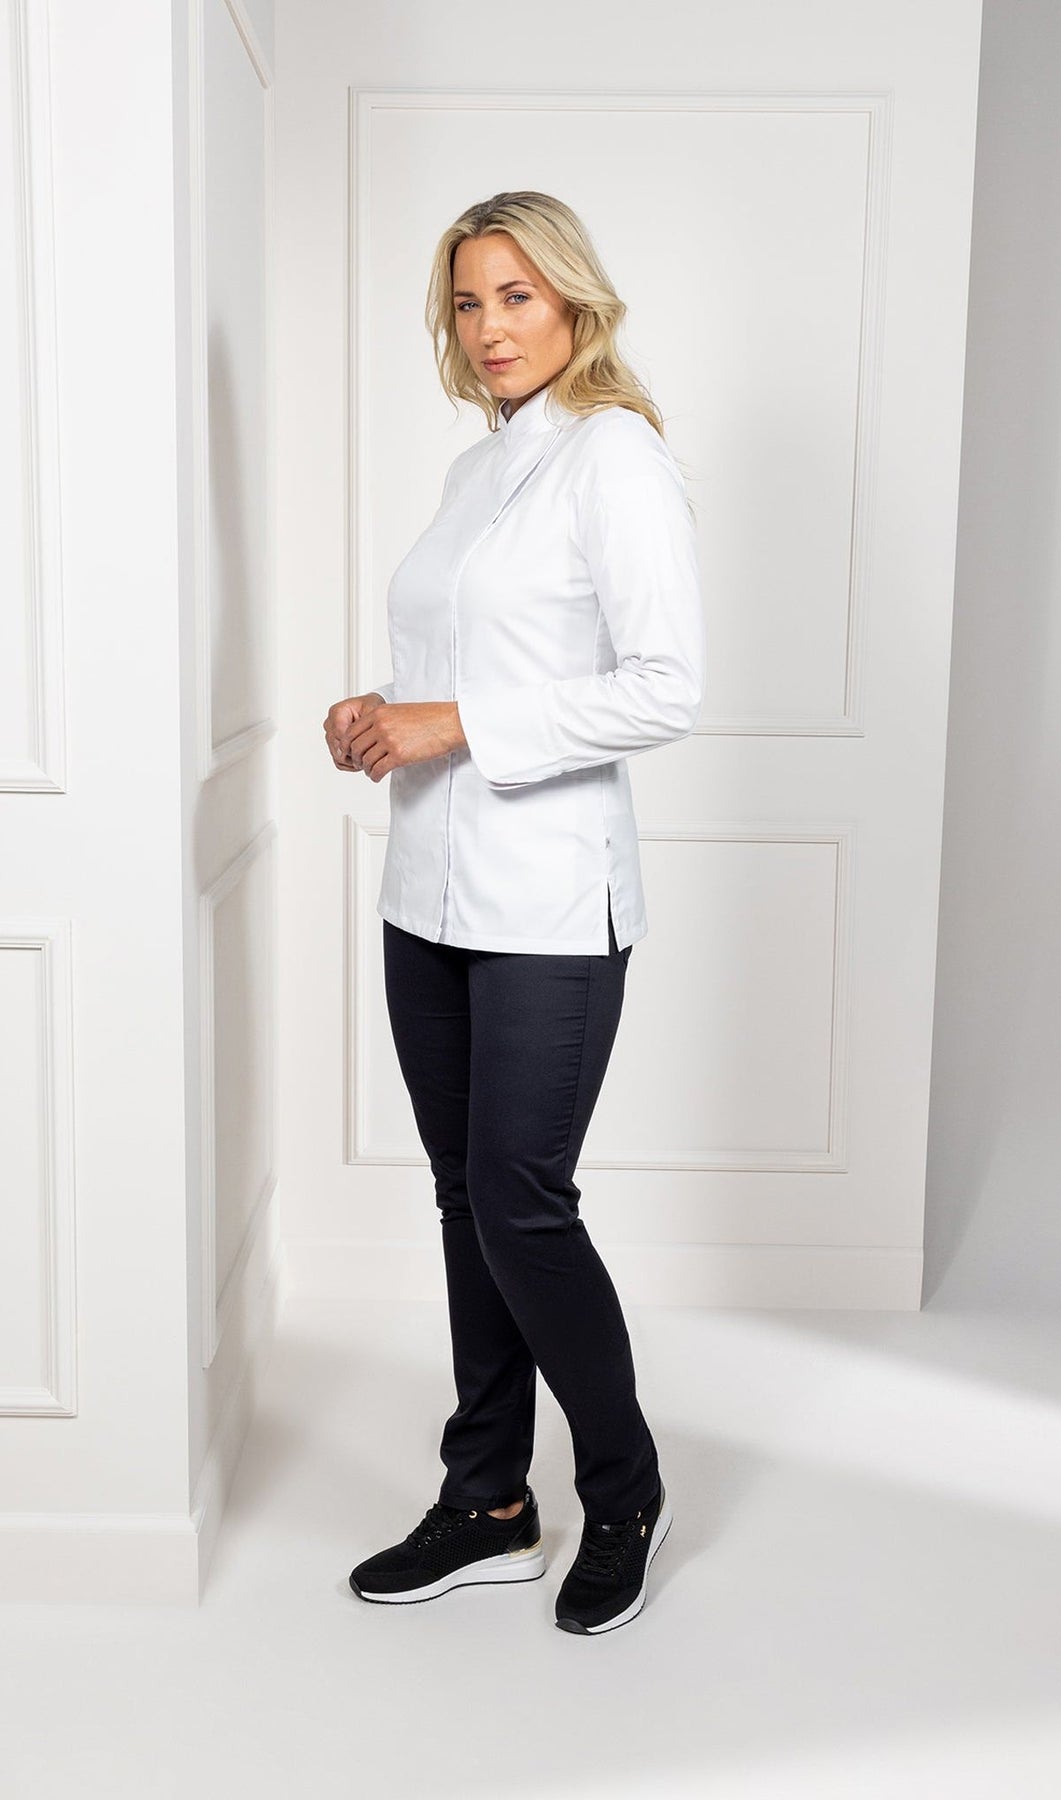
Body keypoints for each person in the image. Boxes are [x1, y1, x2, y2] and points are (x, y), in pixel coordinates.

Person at [322, 191, 705, 1635]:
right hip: (426, 891)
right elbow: (470, 667)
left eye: (517, 296)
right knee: (466, 1198)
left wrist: (457, 722)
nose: (490, 327)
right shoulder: (476, 469)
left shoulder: (615, 456)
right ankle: (487, 1500)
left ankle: (625, 1490)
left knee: (522, 1203)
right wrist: (383, 710)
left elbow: (665, 687)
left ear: (575, 303)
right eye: (469, 302)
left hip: (547, 899)